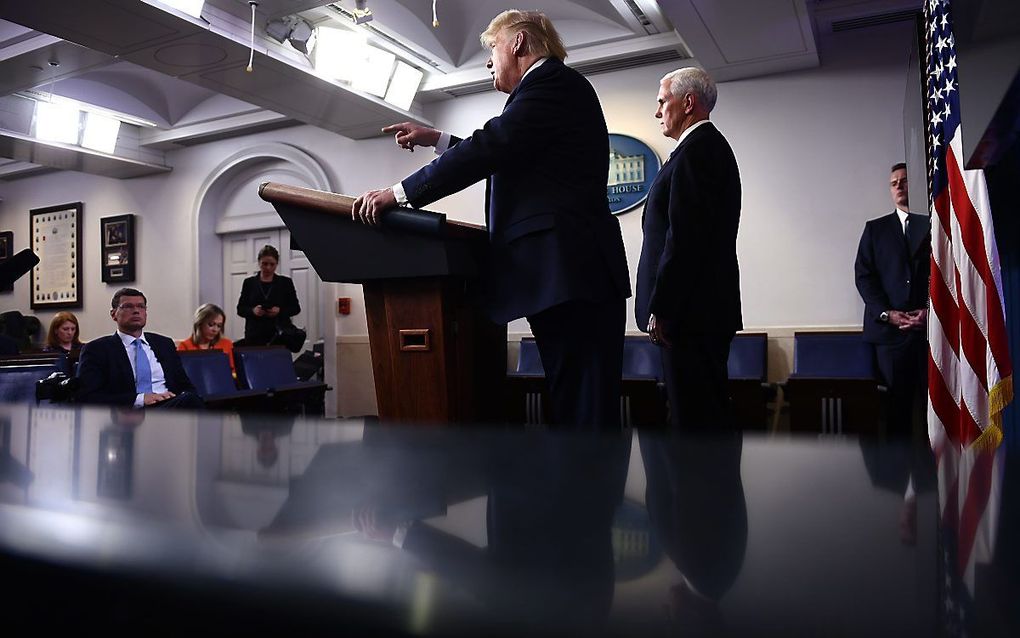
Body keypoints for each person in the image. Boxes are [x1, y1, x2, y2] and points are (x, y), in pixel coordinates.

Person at [352, 10, 630, 429]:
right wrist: (438, 139)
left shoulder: (551, 83)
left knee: (584, 409)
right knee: (578, 403)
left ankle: (587, 493)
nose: (487, 62)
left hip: (572, 275)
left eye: (492, 48)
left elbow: (495, 145)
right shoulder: (553, 91)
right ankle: (583, 491)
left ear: (517, 43)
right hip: (571, 276)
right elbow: (506, 151)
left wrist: (399, 194)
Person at [635, 67, 742, 431]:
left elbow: (685, 239)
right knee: (696, 423)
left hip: (690, 317)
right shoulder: (697, 150)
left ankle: (703, 492)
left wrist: (662, 308)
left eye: (662, 101)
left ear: (688, 103)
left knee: (697, 430)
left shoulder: (699, 152)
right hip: (693, 315)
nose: (657, 111)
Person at [854, 163, 930, 434]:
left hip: (929, 335)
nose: (898, 186)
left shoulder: (936, 224)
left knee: (932, 414)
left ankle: (935, 475)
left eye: (904, 180)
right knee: (896, 416)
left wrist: (930, 313)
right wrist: (888, 313)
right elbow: (864, 277)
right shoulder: (875, 230)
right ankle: (897, 475)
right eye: (893, 182)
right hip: (889, 337)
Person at [76, 287, 203, 409]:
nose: (136, 311)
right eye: (128, 306)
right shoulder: (97, 349)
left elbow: (185, 385)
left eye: (141, 306)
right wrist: (140, 399)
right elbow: (87, 397)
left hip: (169, 405)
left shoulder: (164, 344)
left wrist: (181, 396)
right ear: (113, 314)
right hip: (128, 413)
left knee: (192, 399)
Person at [236, 245, 301, 347]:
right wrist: (253, 311)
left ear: (277, 264)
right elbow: (240, 309)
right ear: (259, 262)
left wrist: (279, 311)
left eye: (272, 264)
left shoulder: (285, 283)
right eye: (264, 264)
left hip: (280, 334)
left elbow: (296, 308)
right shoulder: (249, 283)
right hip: (254, 335)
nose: (268, 268)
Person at [178, 303, 235, 373]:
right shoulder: (185, 346)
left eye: (219, 326)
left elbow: (233, 371)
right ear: (199, 324)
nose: (215, 330)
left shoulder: (226, 344)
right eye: (211, 325)